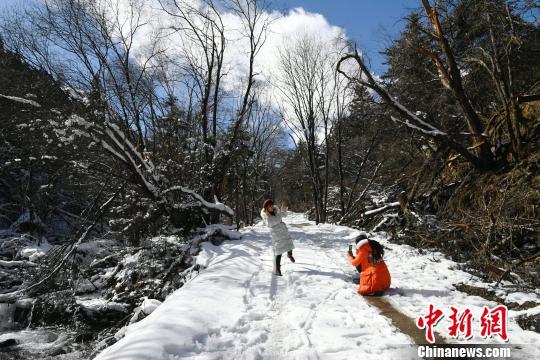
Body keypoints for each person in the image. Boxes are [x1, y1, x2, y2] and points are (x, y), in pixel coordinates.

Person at [260, 199, 295, 276]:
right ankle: (278, 269)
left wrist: (283, 208)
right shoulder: (265, 215)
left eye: (272, 205)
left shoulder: (276, 211)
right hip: (276, 234)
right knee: (279, 252)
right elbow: (271, 223)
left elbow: (284, 215)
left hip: (283, 230)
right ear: (266, 207)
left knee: (289, 243)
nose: (272, 207)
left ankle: (289, 255)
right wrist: (279, 216)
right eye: (270, 206)